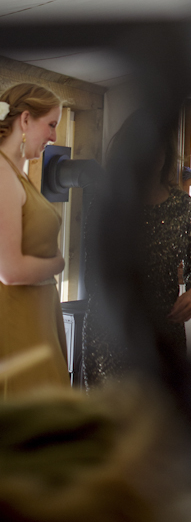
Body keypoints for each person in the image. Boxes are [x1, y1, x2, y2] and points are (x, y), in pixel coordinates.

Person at [82, 113, 191, 387]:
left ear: (166, 154)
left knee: (162, 417)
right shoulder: (107, 204)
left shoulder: (183, 206)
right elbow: (92, 274)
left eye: (156, 150)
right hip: (112, 330)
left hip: (165, 328)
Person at [0, 83, 69, 395]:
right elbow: (10, 271)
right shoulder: (2, 174)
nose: (54, 137)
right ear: (25, 120)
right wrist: (57, 263)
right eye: (51, 124)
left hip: (39, 313)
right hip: (18, 318)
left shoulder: (18, 172)